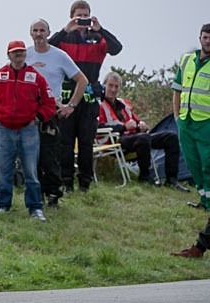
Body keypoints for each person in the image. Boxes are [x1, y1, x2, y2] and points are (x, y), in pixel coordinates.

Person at [49, 1, 122, 193]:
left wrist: (101, 29)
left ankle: (84, 183)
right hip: (68, 96)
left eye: (85, 15)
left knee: (86, 142)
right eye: (78, 16)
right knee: (65, 142)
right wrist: (65, 30)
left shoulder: (98, 39)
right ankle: (66, 182)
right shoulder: (65, 38)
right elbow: (47, 48)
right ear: (72, 16)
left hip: (89, 96)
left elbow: (117, 48)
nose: (82, 19)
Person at [0, 41, 57, 221]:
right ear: (9, 55)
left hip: (28, 130)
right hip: (5, 130)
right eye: (15, 52)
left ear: (25, 54)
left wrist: (37, 118)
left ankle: (35, 208)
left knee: (31, 170)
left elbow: (49, 103)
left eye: (22, 52)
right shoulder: (0, 76)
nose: (19, 55)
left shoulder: (35, 77)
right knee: (3, 170)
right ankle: (2, 205)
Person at [26, 18, 88, 208]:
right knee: (31, 156)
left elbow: (82, 81)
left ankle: (53, 194)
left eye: (42, 30)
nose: (39, 34)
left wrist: (71, 106)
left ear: (48, 33)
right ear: (31, 33)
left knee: (50, 155)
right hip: (28, 113)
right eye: (35, 30)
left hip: (51, 111)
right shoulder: (25, 54)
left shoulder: (59, 56)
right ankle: (36, 195)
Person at [99, 72, 189, 192]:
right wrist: (124, 128)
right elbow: (98, 128)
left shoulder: (122, 104)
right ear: (104, 85)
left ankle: (171, 179)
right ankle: (145, 177)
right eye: (110, 85)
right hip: (114, 141)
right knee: (143, 138)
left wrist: (142, 124)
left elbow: (136, 120)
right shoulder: (98, 104)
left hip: (135, 137)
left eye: (116, 86)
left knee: (171, 137)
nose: (113, 89)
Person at [170, 24, 210, 258]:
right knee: (195, 165)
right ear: (200, 38)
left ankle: (200, 246)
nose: (208, 41)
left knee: (207, 164)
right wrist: (176, 117)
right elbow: (177, 89)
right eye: (205, 37)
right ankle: (205, 202)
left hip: (206, 123)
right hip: (187, 121)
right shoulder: (187, 60)